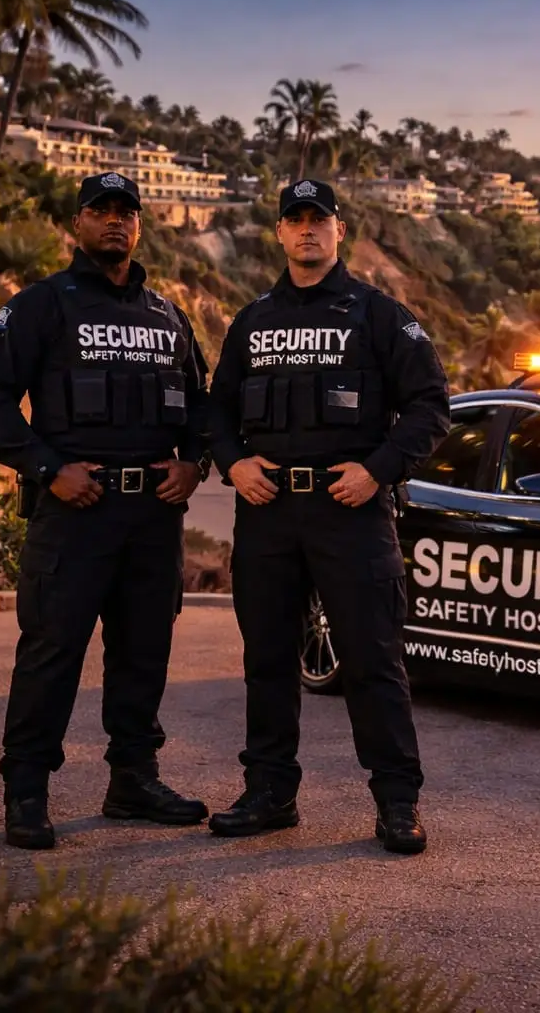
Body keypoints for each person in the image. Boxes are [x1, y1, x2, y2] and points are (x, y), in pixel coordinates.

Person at [0, 171, 214, 850]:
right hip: (75, 514)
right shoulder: (44, 305)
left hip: (152, 522)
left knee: (142, 656)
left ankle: (133, 780)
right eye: (100, 210)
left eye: (125, 212)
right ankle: (25, 792)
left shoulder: (169, 316)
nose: (114, 221)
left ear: (139, 225)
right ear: (78, 222)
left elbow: (201, 408)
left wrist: (194, 465)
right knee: (50, 654)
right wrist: (48, 468)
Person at [205, 179, 449, 853]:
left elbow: (432, 404)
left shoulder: (376, 314)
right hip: (269, 511)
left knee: (373, 661)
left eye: (319, 220)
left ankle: (398, 803)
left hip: (352, 513)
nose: (307, 231)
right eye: (295, 220)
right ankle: (269, 794)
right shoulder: (253, 320)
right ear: (279, 233)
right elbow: (215, 409)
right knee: (269, 662)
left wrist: (379, 468)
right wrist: (234, 464)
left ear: (341, 232)